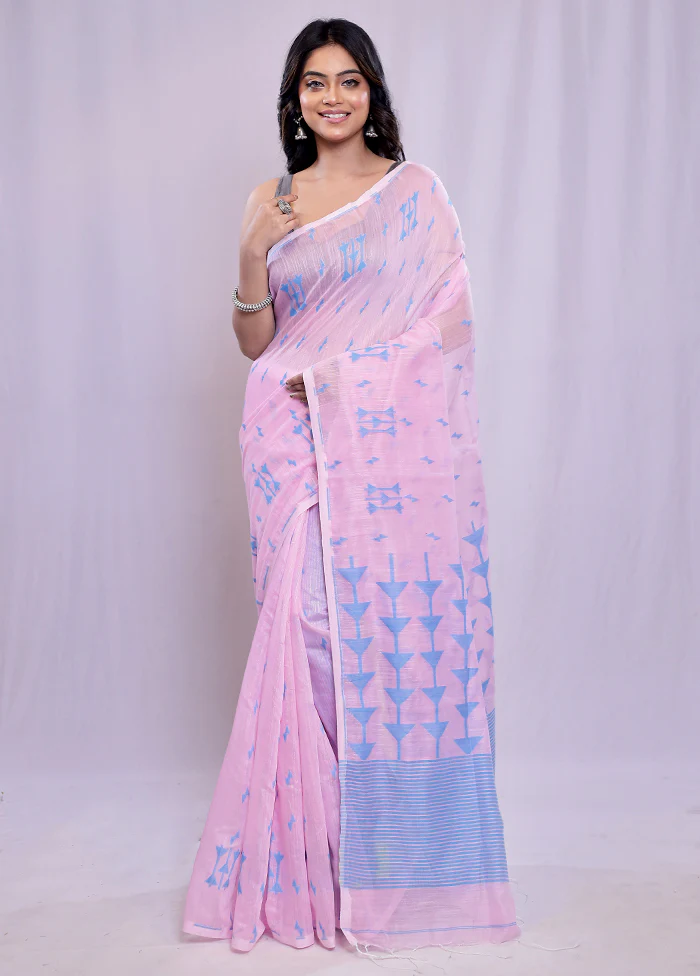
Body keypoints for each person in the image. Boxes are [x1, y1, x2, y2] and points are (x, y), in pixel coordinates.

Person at [182, 16, 521, 956]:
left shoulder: (416, 196)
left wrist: (339, 382)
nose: (332, 97)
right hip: (286, 440)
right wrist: (250, 251)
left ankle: (390, 863)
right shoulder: (273, 199)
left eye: (349, 80)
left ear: (372, 92)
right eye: (314, 83)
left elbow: (446, 329)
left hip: (381, 448)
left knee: (372, 634)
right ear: (294, 99)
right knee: (309, 631)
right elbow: (256, 340)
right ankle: (312, 859)